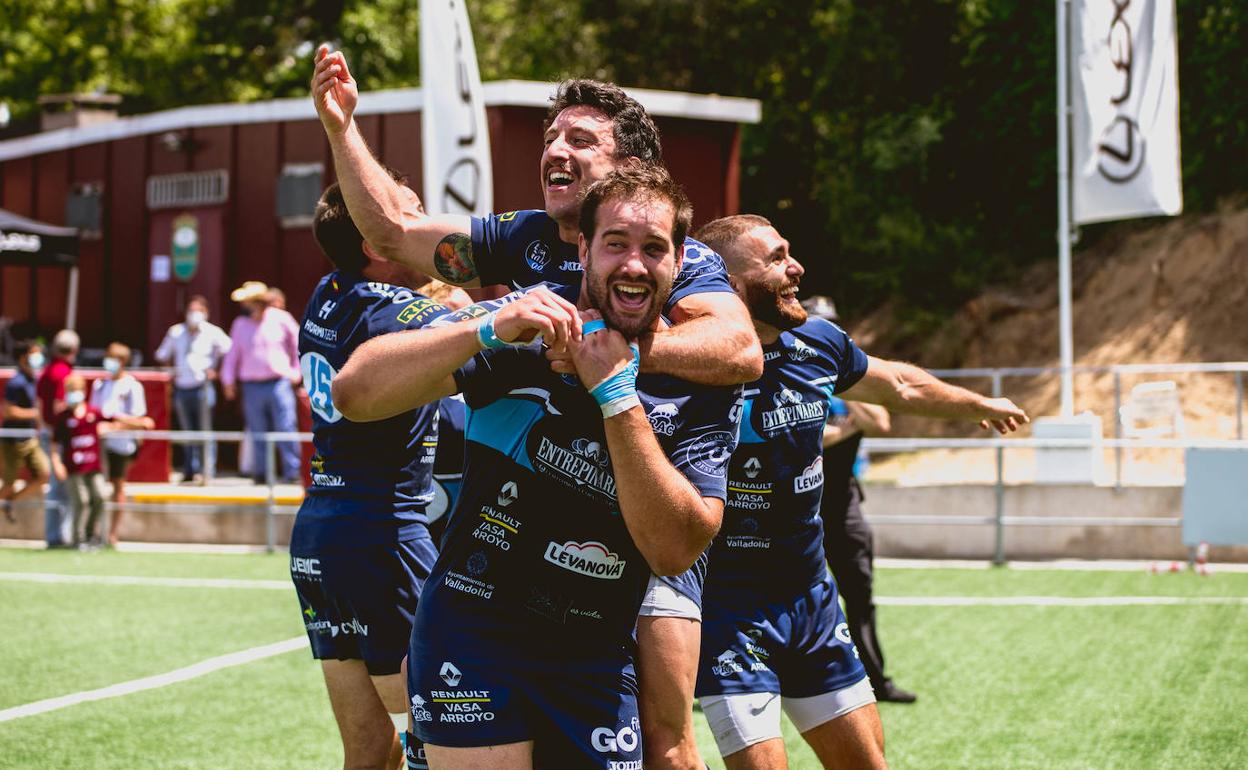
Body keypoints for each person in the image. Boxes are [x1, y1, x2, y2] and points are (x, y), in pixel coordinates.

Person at [314, 48, 763, 769]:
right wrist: (342, 130)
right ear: (585, 245)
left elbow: (740, 350)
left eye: (580, 139)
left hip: (612, 594)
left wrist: (609, 355)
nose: (555, 148)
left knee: (672, 740)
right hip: (483, 609)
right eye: (551, 136)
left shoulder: (679, 272)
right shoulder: (520, 255)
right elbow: (393, 235)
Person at [693, 214, 1027, 769]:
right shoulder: (687, 359)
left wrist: (978, 405)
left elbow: (897, 382)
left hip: (812, 598)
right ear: (726, 281)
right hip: (729, 609)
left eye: (789, 253)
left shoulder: (817, 341)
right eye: (775, 259)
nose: (795, 268)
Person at [291, 179, 470, 770]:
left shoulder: (327, 291)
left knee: (368, 751)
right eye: (410, 217)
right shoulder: (399, 310)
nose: (424, 226)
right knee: (450, 725)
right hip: (384, 534)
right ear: (375, 240)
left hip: (321, 534)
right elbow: (499, 324)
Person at [805, 297, 916, 705]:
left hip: (843, 503)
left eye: (830, 327)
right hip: (796, 507)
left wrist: (841, 382)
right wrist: (845, 429)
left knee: (860, 592)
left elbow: (879, 420)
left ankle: (877, 681)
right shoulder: (791, 375)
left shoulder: (847, 376)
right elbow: (808, 439)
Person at [220, 281, 302, 483]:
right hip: (251, 385)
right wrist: (227, 380)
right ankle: (261, 474)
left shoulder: (282, 319)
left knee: (286, 426)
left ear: (259, 302)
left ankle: (292, 472)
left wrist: (296, 372)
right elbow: (233, 355)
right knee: (257, 430)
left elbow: (300, 345)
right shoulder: (240, 325)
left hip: (279, 382)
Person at [155, 295, 232, 483]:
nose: (194, 315)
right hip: (182, 387)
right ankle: (190, 469)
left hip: (203, 387)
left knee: (205, 429)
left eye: (198, 311)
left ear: (206, 313)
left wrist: (217, 370)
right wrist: (170, 371)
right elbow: (162, 354)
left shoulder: (213, 332)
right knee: (187, 431)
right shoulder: (176, 332)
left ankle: (208, 471)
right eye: (191, 310)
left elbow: (230, 351)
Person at [89, 342, 149, 546]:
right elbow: (93, 415)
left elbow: (141, 420)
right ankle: (94, 529)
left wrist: (114, 423)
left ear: (122, 362)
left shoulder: (133, 386)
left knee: (117, 486)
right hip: (98, 444)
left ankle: (112, 534)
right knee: (95, 487)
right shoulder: (99, 384)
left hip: (122, 445)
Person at [36, 329, 78, 547]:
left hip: (47, 432)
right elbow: (58, 406)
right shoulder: (63, 373)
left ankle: (59, 535)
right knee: (59, 487)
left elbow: (39, 406)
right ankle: (57, 537)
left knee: (58, 486)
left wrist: (44, 429)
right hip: (59, 436)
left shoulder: (46, 371)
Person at [1, 340, 51, 524]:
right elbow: (8, 411)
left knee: (44, 474)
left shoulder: (34, 379)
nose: (39, 358)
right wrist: (36, 413)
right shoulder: (16, 382)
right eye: (34, 353)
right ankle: (7, 499)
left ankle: (9, 502)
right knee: (8, 485)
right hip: (13, 441)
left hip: (30, 438)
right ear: (24, 357)